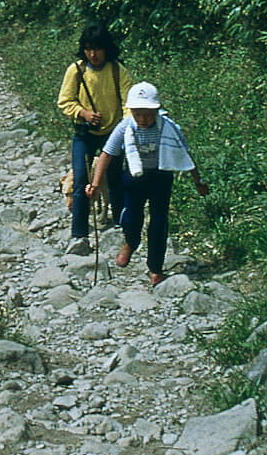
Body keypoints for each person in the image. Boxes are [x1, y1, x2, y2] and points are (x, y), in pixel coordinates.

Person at [87, 81, 209, 286]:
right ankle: (131, 242)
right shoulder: (125, 127)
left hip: (161, 177)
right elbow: (106, 154)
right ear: (131, 111)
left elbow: (186, 154)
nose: (143, 119)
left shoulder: (169, 128)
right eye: (138, 114)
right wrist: (96, 183)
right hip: (134, 178)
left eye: (148, 114)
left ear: (157, 110)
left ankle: (155, 268)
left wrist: (198, 181)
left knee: (159, 222)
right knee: (132, 216)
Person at [56, 23, 132, 252]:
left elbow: (128, 104)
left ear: (107, 49)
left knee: (116, 179)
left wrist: (126, 127)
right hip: (84, 132)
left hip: (113, 133)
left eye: (97, 49)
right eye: (89, 49)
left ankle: (121, 225)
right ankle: (79, 232)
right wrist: (83, 113)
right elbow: (64, 101)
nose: (93, 54)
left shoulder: (118, 71)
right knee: (81, 180)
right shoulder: (76, 71)